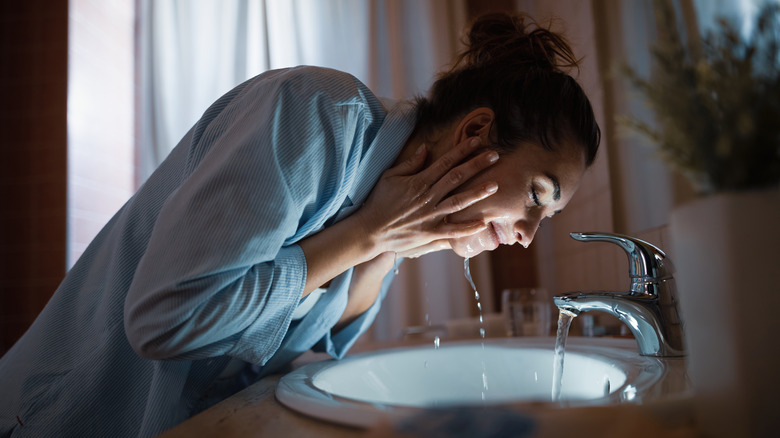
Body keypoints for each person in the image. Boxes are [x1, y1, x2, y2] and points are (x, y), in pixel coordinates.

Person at [0, 12, 599, 437]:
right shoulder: (316, 113)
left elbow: (302, 353)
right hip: (60, 417)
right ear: (475, 132)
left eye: (545, 218)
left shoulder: (394, 216)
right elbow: (165, 322)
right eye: (536, 195)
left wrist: (386, 244)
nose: (526, 234)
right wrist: (367, 234)